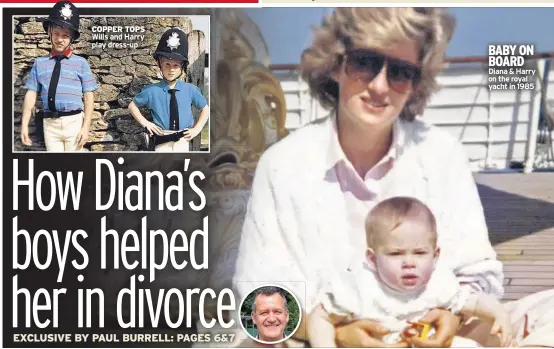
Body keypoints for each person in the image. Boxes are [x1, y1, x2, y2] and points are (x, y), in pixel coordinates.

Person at [232, 7, 554, 348]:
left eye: (400, 71)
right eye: (365, 63)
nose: (380, 86)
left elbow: (478, 272)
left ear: (416, 83)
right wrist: (334, 334)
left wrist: (451, 316)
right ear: (336, 65)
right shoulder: (283, 165)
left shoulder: (442, 155)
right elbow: (257, 298)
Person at [308, 197, 513, 348]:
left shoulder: (438, 282)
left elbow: (474, 301)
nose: (409, 263)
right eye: (395, 254)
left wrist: (498, 314)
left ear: (435, 256)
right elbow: (321, 317)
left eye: (420, 253)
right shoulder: (359, 286)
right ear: (372, 259)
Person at [20, 0, 98, 151]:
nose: (59, 39)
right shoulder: (40, 63)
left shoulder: (81, 63)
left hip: (74, 122)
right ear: (49, 33)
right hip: (50, 124)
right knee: (55, 166)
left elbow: (89, 97)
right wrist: (24, 125)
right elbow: (31, 94)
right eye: (56, 33)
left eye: (65, 35)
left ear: (72, 38)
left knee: (74, 168)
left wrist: (86, 128)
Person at [128, 27, 209, 152]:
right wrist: (146, 123)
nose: (171, 69)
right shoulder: (152, 90)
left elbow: (205, 109)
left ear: (182, 66)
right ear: (159, 64)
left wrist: (197, 129)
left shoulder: (190, 90)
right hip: (161, 140)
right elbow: (132, 106)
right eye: (167, 64)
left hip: (183, 141)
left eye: (176, 65)